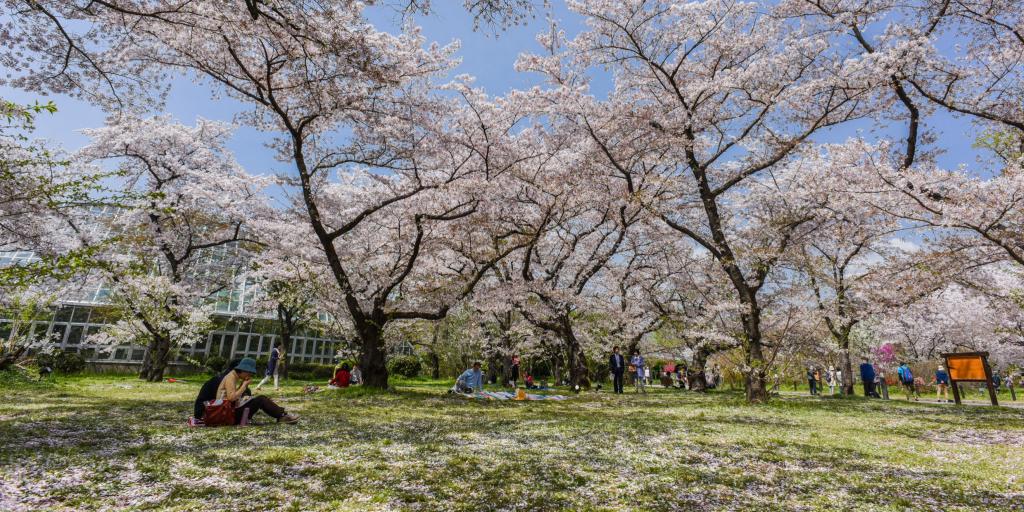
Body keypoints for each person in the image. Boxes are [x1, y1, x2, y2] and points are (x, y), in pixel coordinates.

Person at [195, 358, 298, 425]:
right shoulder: (230, 377)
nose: (250, 376)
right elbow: (231, 398)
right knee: (261, 399)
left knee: (260, 399)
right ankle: (282, 416)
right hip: (225, 414)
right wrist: (244, 386)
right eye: (250, 373)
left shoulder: (233, 377)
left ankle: (282, 415)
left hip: (226, 411)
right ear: (244, 370)